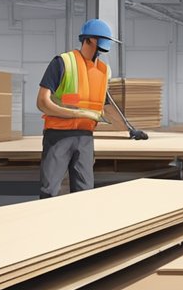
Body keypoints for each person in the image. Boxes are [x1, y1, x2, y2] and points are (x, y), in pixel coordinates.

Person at [35, 19, 143, 198]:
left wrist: (130, 130)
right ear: (88, 40)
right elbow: (42, 102)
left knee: (85, 193)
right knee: (50, 191)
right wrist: (76, 113)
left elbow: (107, 106)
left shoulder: (103, 70)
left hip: (85, 138)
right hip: (58, 136)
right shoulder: (63, 62)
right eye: (100, 42)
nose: (102, 49)